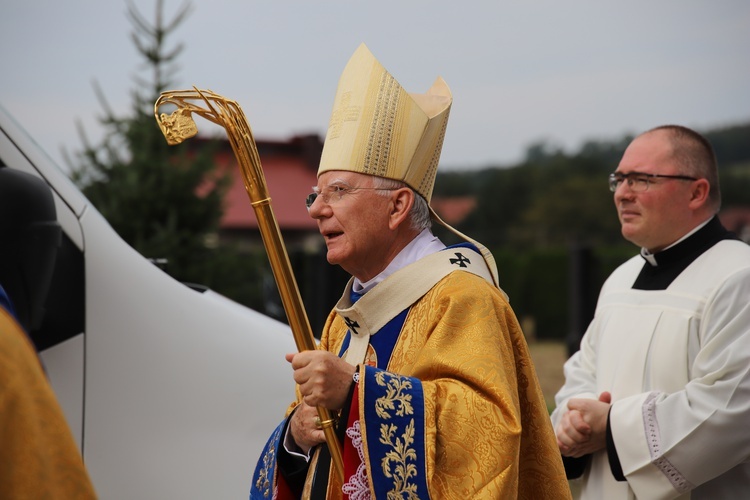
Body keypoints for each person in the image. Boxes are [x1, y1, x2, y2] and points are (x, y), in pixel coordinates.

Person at [249, 44, 570, 499]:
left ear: (398, 205)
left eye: (338, 191)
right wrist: (297, 437)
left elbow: (486, 438)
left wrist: (358, 392)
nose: (318, 210)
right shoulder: (346, 316)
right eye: (314, 195)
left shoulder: (461, 297)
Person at [550, 125, 750, 499]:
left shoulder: (739, 276)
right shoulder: (620, 280)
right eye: (620, 179)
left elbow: (732, 408)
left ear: (697, 192)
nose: (623, 193)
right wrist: (570, 424)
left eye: (642, 180)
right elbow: (582, 374)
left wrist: (611, 427)